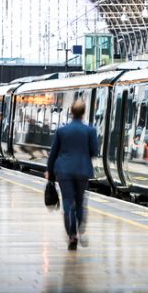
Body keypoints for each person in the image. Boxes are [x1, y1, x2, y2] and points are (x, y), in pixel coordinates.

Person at [45, 100, 98, 251]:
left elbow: (53, 154)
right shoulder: (90, 131)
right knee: (80, 202)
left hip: (64, 171)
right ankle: (81, 228)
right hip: (82, 171)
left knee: (68, 202)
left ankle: (72, 236)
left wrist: (50, 173)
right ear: (83, 113)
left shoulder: (62, 131)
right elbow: (94, 152)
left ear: (71, 112)